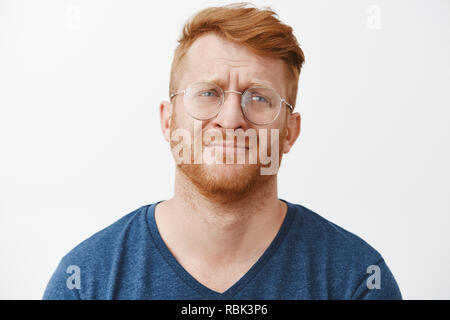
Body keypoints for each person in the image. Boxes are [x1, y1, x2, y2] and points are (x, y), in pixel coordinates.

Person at [43, 3, 402, 299]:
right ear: (168, 122)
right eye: (208, 94)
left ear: (290, 132)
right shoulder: (86, 282)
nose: (231, 120)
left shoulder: (358, 282)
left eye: (258, 98)